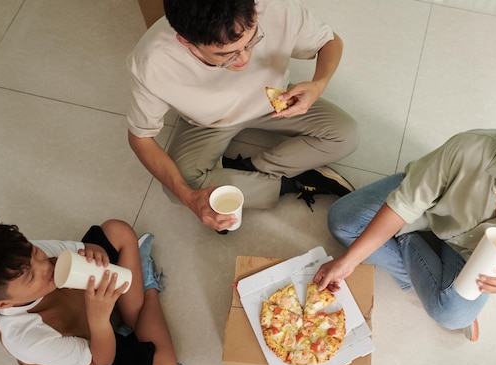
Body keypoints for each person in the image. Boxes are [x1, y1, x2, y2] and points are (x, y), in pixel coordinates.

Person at [313, 102, 496, 340]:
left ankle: (405, 241)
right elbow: (408, 202)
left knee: (451, 314)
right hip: (431, 209)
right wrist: (349, 261)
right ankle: (417, 264)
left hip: (471, 257)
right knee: (343, 222)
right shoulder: (471, 147)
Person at [127, 0, 360, 232]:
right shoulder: (152, 62)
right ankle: (293, 182)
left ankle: (247, 171)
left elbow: (330, 41)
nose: (244, 60)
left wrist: (318, 84)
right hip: (209, 122)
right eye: (226, 55)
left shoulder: (275, 8)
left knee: (347, 135)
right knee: (179, 187)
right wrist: (189, 198)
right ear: (186, 42)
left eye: (251, 42)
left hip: (274, 99)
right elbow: (140, 137)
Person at [0, 216, 183, 365]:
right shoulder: (25, 339)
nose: (46, 266)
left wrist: (93, 253)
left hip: (83, 301)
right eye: (32, 277)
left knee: (117, 230)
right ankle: (147, 287)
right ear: (2, 303)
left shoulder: (22, 257)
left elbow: (85, 249)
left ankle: (133, 319)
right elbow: (101, 360)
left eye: (35, 252)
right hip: (88, 356)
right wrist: (99, 321)